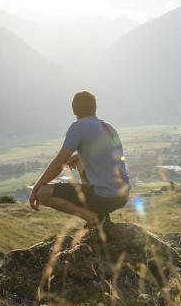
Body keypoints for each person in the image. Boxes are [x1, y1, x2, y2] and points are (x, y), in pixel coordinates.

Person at [29, 91, 130, 227]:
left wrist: (36, 188)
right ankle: (100, 214)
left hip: (104, 197)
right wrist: (78, 156)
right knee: (79, 159)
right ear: (95, 107)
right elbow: (113, 154)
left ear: (73, 110)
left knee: (43, 193)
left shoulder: (78, 127)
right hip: (122, 196)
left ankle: (93, 218)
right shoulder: (108, 127)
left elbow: (59, 163)